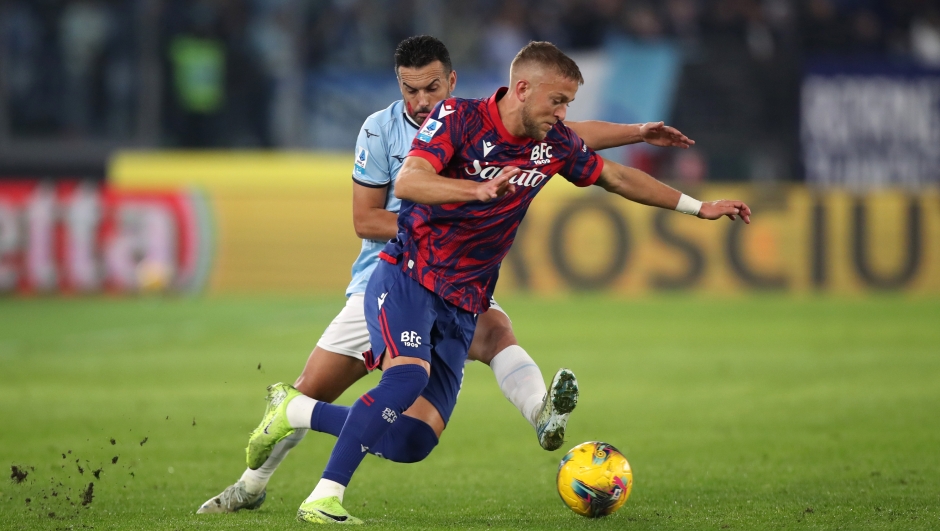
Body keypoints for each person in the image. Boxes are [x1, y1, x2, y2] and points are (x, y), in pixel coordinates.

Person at [197, 36, 697, 516]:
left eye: (430, 89)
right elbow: (365, 220)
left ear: (451, 82)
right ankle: (251, 485)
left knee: (492, 336)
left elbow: (568, 133)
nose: (419, 100)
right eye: (408, 89)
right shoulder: (380, 130)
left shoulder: (479, 120)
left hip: (459, 284)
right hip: (394, 272)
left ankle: (542, 415)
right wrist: (458, 222)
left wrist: (637, 133)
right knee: (316, 389)